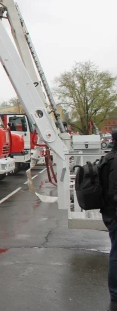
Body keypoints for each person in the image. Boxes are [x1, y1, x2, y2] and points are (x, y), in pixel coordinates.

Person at [100, 129, 117, 310]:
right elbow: (114, 191)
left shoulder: (108, 158)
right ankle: (115, 293)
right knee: (116, 254)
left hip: (109, 212)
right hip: (114, 212)